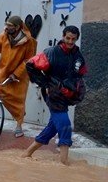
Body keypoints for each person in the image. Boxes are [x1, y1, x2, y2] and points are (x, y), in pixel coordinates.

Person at [22, 25, 87, 165]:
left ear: (77, 39)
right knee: (65, 125)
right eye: (68, 38)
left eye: (73, 39)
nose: (70, 41)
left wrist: (77, 91)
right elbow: (30, 65)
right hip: (53, 94)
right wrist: (45, 84)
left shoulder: (78, 56)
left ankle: (27, 154)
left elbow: (80, 74)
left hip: (66, 96)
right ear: (63, 36)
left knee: (53, 127)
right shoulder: (51, 52)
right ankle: (64, 163)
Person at [0, 15, 37, 137]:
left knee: (18, 101)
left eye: (10, 26)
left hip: (19, 74)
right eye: (7, 25)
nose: (7, 27)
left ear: (17, 27)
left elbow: (28, 60)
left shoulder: (29, 41)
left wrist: (15, 74)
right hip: (3, 69)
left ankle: (19, 124)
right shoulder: (3, 36)